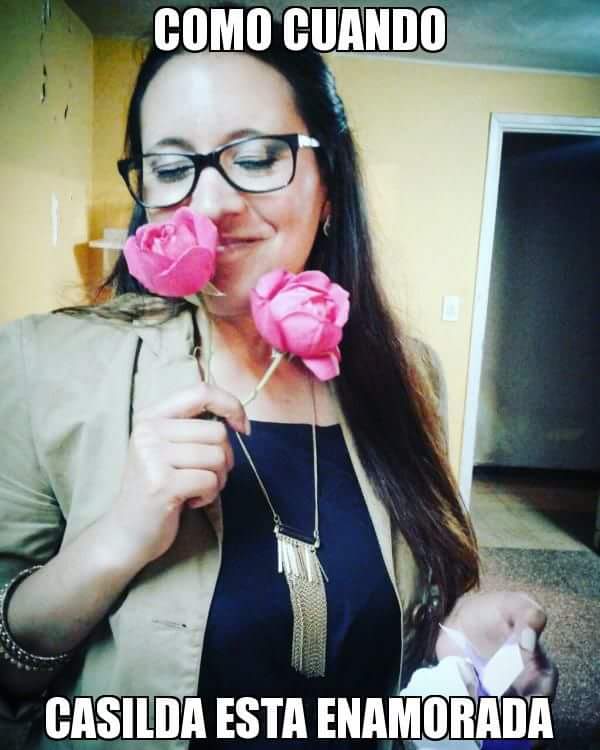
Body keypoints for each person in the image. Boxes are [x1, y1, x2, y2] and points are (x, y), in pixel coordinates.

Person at [0, 11, 556, 750]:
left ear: (330, 185)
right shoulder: (43, 364)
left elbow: (404, 626)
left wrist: (456, 643)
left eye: (259, 157)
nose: (210, 205)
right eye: (170, 168)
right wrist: (115, 541)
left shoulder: (410, 373)